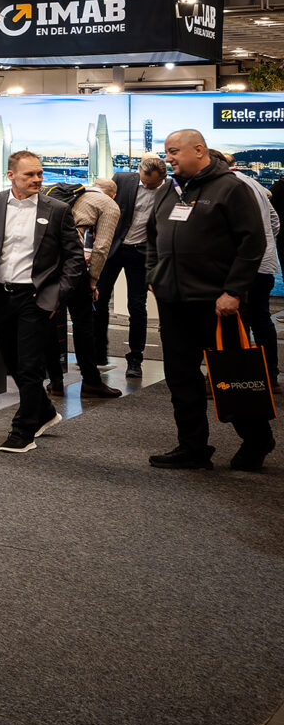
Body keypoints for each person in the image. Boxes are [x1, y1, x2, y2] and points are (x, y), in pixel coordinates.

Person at [144, 130, 272, 471]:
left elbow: (252, 242)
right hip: (173, 302)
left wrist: (233, 291)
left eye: (174, 152)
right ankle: (193, 447)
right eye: (167, 152)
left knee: (232, 377)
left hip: (217, 304)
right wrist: (152, 274)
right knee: (181, 377)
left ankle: (258, 440)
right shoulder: (169, 190)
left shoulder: (231, 188)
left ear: (198, 150)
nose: (167, 158)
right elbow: (152, 237)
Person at [0, 150, 85, 455]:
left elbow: (75, 257)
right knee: (12, 363)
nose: (37, 179)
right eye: (29, 175)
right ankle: (45, 410)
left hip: (35, 299)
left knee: (30, 366)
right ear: (11, 176)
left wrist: (57, 294)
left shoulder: (58, 209)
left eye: (39, 173)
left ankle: (24, 430)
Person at [217, 151, 280, 393]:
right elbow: (275, 222)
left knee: (235, 321)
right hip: (263, 265)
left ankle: (237, 379)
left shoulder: (228, 187)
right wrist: (261, 245)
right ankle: (270, 376)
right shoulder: (254, 183)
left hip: (238, 267)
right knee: (262, 319)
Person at [101, 156, 166, 380]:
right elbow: (102, 209)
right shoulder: (121, 179)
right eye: (145, 181)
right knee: (98, 299)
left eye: (152, 184)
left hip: (141, 254)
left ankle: (135, 358)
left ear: (162, 179)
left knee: (137, 307)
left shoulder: (168, 192)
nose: (147, 186)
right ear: (139, 172)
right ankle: (98, 351)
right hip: (113, 248)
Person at [62, 180, 122, 399]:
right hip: (70, 259)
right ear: (113, 195)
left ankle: (56, 382)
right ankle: (91, 382)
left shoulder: (70, 194)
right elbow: (102, 246)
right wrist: (93, 280)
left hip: (44, 259)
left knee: (50, 320)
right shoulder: (109, 204)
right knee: (83, 321)